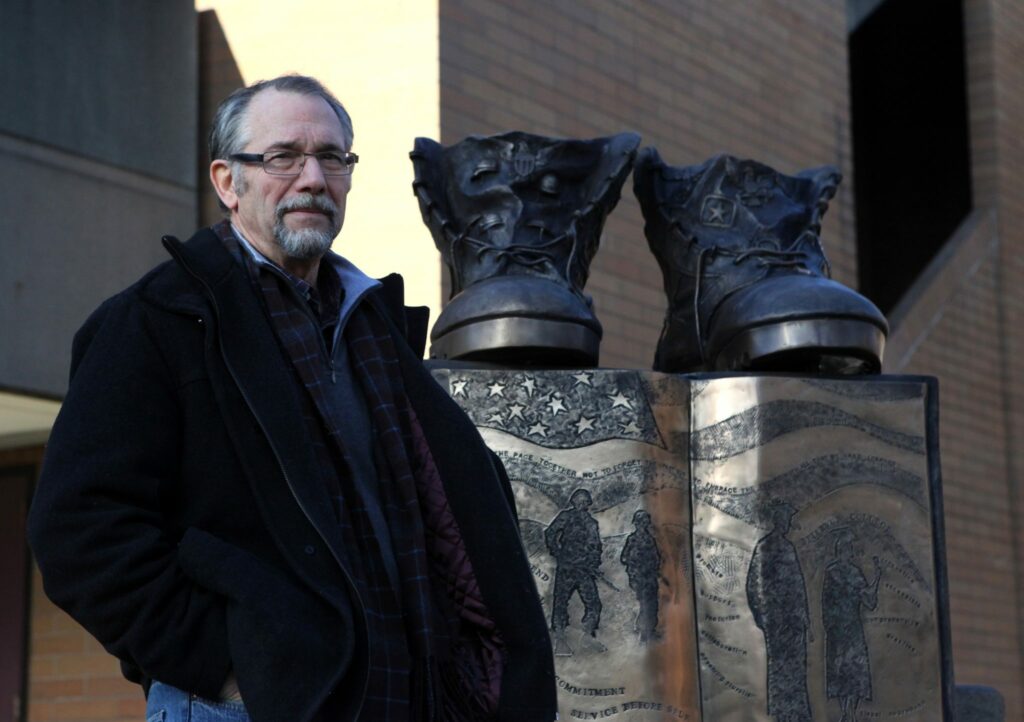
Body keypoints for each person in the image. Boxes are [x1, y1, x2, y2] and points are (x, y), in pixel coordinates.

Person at [27, 74, 555, 722]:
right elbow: (78, 530)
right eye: (284, 157)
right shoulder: (157, 322)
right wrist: (232, 665)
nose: (312, 178)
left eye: (332, 157)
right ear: (228, 181)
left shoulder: (374, 332)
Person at [745, 500, 812, 722]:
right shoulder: (765, 547)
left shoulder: (788, 548)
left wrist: (804, 619)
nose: (789, 523)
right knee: (780, 667)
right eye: (786, 519)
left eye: (789, 520)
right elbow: (753, 586)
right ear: (778, 520)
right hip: (777, 621)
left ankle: (797, 712)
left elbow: (798, 587)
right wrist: (762, 618)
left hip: (793, 622)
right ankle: (783, 713)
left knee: (795, 667)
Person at [822, 529, 881, 722]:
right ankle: (845, 714)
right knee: (841, 670)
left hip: (853, 628)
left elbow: (869, 602)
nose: (848, 553)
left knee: (854, 670)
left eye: (850, 549)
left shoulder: (856, 573)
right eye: (845, 549)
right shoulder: (831, 573)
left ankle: (851, 714)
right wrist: (830, 625)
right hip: (838, 630)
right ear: (840, 551)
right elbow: (826, 603)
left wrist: (877, 578)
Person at [544, 488, 603, 654]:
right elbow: (550, 533)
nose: (582, 504)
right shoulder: (566, 516)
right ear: (574, 501)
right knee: (560, 603)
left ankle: (588, 637)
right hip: (567, 568)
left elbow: (596, 546)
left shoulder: (592, 523)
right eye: (580, 500)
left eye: (585, 501)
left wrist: (594, 564)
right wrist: (557, 552)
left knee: (594, 604)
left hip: (584, 571)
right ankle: (560, 640)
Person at [620, 510, 661, 643]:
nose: (643, 525)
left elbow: (656, 558)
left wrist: (655, 570)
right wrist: (635, 567)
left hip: (651, 577)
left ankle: (647, 630)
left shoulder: (650, 539)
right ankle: (645, 633)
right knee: (646, 604)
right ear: (636, 524)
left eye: (645, 522)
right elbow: (624, 558)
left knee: (652, 604)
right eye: (641, 522)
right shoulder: (632, 539)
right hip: (639, 578)